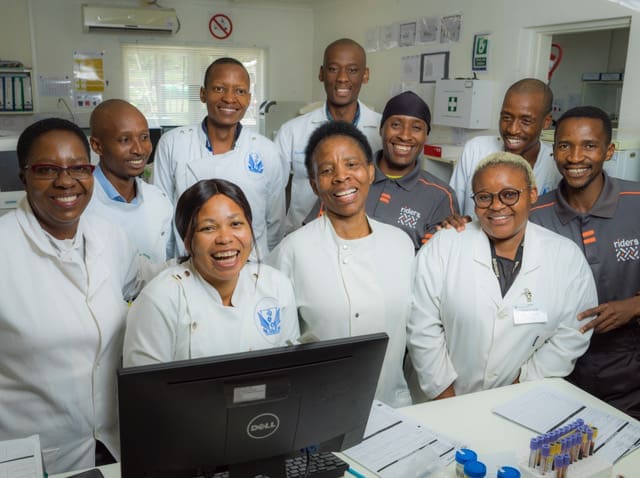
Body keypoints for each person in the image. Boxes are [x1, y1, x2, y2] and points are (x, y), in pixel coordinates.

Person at [0, 118, 149, 474]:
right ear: (23, 177)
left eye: (78, 168)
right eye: (46, 169)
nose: (65, 181)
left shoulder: (107, 235)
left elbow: (147, 281)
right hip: (35, 453)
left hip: (112, 443)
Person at [407, 152, 597, 400]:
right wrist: (446, 398)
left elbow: (574, 331)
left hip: (522, 401)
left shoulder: (566, 257)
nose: (496, 206)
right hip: (439, 400)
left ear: (532, 194)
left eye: (509, 194)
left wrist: (524, 385)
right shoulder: (444, 245)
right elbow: (421, 324)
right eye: (485, 197)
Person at [267, 121, 413, 408]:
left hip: (392, 403)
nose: (341, 177)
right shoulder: (293, 250)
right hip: (314, 408)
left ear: (371, 172)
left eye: (351, 164)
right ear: (314, 184)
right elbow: (276, 343)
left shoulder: (401, 244)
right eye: (326, 170)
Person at [529, 106, 640, 419]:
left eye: (589, 145)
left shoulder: (635, 202)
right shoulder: (536, 216)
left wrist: (633, 307)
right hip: (560, 375)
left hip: (631, 377)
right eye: (565, 145)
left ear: (609, 151)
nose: (575, 157)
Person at [123, 178, 299, 366]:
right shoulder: (160, 298)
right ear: (187, 240)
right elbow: (145, 388)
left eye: (236, 224)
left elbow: (291, 370)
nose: (225, 239)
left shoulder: (276, 285)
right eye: (208, 228)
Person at [153, 57, 286, 258]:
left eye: (239, 91)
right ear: (203, 94)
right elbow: (161, 217)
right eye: (219, 89)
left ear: (249, 99)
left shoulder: (267, 151)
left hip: (249, 267)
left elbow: (275, 221)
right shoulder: (173, 143)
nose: (229, 98)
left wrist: (264, 266)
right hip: (189, 265)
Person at [306, 90, 458, 251]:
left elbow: (438, 261)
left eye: (416, 128)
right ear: (381, 129)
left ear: (425, 137)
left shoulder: (440, 195)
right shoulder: (347, 178)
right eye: (396, 125)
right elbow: (310, 238)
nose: (405, 136)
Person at [276, 38, 382, 234]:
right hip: (302, 238)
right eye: (333, 69)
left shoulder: (382, 131)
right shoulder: (291, 131)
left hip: (364, 238)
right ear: (321, 73)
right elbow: (272, 196)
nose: (342, 78)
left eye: (352, 70)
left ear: (365, 75)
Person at [449, 78, 561, 218]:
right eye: (506, 118)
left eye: (526, 121)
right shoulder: (476, 149)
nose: (513, 129)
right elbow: (453, 210)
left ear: (546, 122)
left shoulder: (556, 163)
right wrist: (455, 222)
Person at [87, 99, 173, 262]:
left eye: (144, 137)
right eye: (125, 140)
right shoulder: (79, 203)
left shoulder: (157, 200)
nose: (139, 150)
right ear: (97, 146)